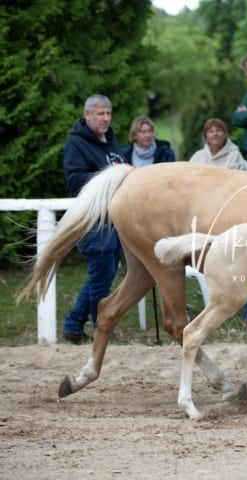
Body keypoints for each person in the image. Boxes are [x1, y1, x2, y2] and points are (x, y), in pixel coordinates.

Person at [61, 94, 125, 344]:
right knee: (101, 277)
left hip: (114, 219)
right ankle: (102, 327)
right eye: (100, 114)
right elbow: (75, 181)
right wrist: (111, 178)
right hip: (92, 222)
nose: (106, 118)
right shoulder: (75, 144)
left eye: (108, 113)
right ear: (87, 115)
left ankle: (73, 325)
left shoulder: (110, 140)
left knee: (103, 275)